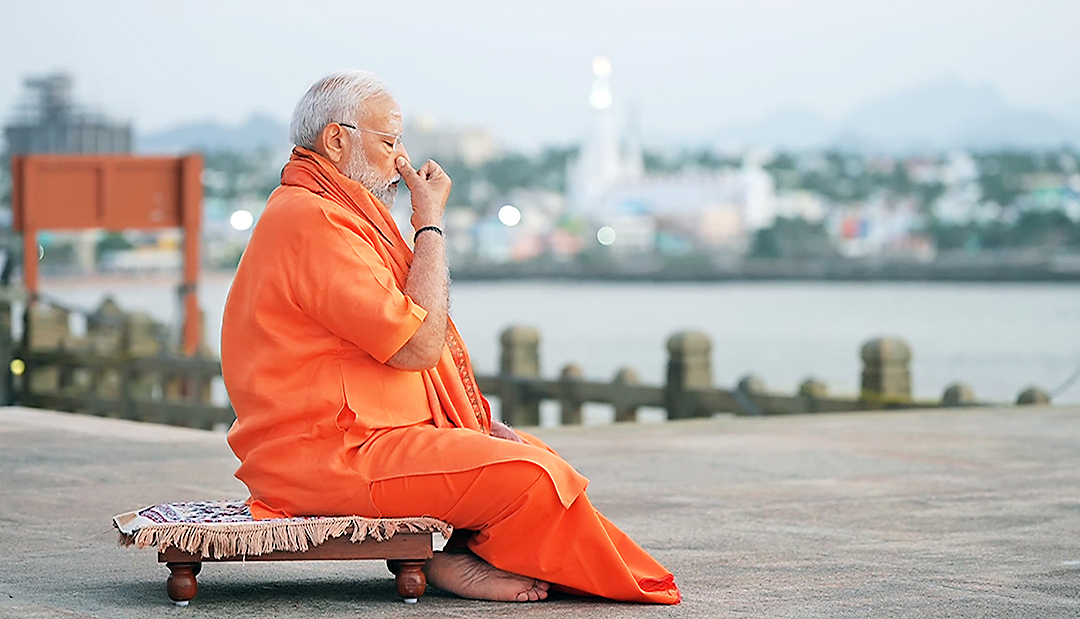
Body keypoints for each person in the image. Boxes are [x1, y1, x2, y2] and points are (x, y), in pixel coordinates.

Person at [221, 70, 680, 605]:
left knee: (530, 454)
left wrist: (473, 425)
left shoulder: (338, 213)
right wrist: (430, 223)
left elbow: (401, 338)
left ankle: (450, 554)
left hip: (369, 439)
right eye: (389, 142)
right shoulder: (312, 220)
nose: (402, 160)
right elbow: (417, 344)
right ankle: (473, 558)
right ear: (337, 140)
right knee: (531, 476)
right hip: (329, 454)